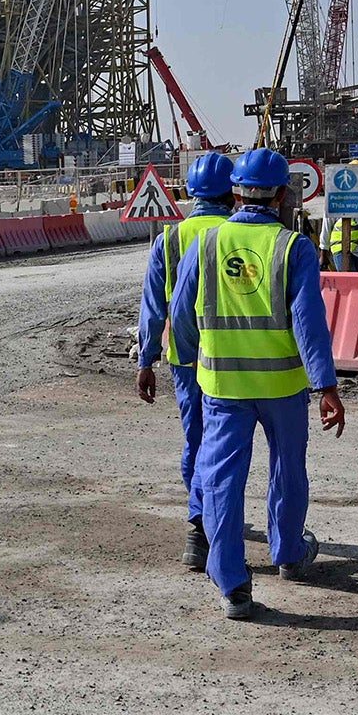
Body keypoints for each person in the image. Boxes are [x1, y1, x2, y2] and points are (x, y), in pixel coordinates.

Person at [169, 147, 346, 620]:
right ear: (283, 195)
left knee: (222, 480)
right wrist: (325, 385)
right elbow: (309, 322)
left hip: (223, 389)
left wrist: (191, 362)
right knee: (288, 468)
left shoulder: (204, 245)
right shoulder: (293, 247)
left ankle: (232, 585)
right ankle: (288, 553)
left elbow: (181, 315)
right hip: (284, 388)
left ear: (236, 192)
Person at [136, 152, 236, 570]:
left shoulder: (171, 238)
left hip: (185, 357)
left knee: (196, 439)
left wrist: (146, 358)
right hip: (232, 356)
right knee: (227, 444)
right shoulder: (238, 233)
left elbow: (153, 305)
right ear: (233, 191)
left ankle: (200, 522)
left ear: (191, 193)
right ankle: (208, 519)